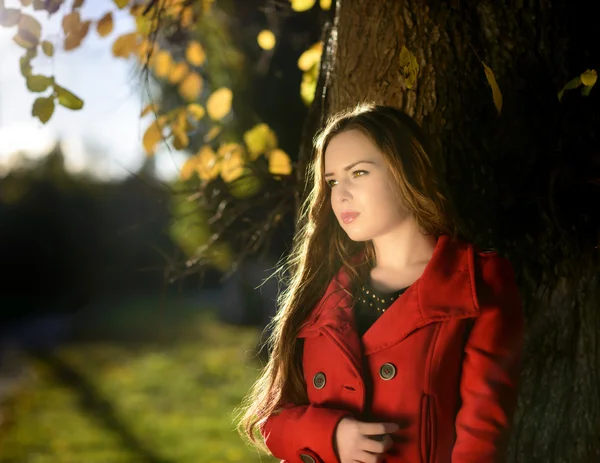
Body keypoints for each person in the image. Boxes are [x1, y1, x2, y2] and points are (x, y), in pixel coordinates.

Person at [237, 103, 525, 463]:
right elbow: (271, 419)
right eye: (332, 182)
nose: (340, 195)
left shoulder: (477, 282)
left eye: (358, 173)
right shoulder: (322, 289)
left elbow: (481, 438)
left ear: (407, 171)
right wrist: (331, 436)